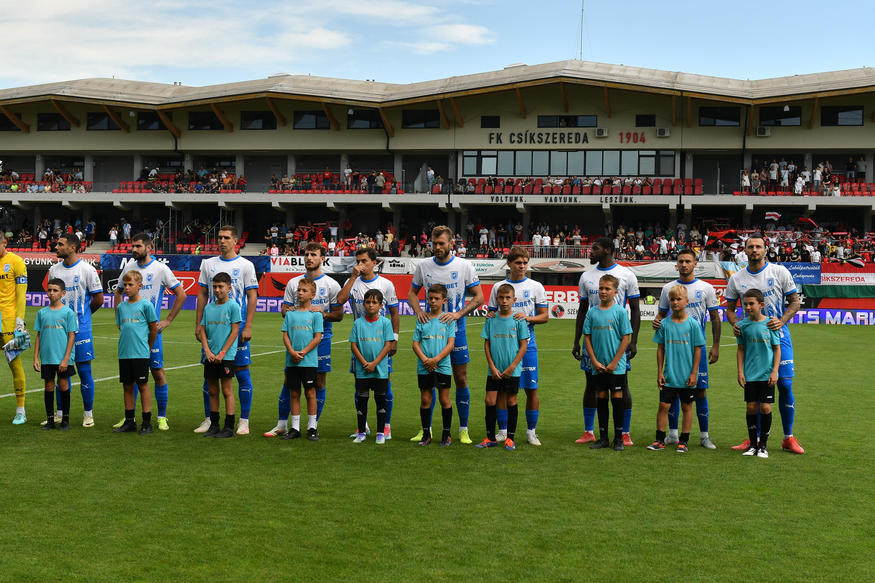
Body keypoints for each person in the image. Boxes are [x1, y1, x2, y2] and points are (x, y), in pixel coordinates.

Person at [724, 236, 804, 454]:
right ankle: (755, 439)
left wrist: (782, 320)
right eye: (751, 247)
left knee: (785, 384)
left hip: (779, 334)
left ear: (765, 250)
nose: (755, 250)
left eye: (758, 246)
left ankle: (788, 437)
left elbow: (795, 301)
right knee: (756, 389)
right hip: (752, 339)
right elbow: (729, 309)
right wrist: (735, 324)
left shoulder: (779, 272)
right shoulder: (737, 278)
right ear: (745, 250)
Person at [408, 226, 484, 444]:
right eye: (434, 243)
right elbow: (412, 293)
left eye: (441, 243)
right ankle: (426, 430)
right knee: (428, 383)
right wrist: (419, 311)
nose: (437, 247)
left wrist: (458, 313)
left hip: (456, 333)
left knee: (460, 378)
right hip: (431, 332)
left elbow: (479, 296)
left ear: (451, 243)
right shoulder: (424, 266)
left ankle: (463, 429)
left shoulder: (464, 266)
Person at [265, 242, 343, 437]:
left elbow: (339, 314)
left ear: (322, 258)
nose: (309, 258)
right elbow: (284, 310)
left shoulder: (331, 285)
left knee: (319, 383)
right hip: (297, 339)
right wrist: (289, 310)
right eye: (307, 254)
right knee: (288, 382)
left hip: (321, 339)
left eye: (314, 255)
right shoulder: (294, 283)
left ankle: (312, 426)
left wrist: (322, 314)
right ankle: (283, 424)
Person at [112, 233, 186, 431]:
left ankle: (161, 417)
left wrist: (168, 320)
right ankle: (130, 419)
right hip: (131, 333)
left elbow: (181, 294)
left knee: (157, 373)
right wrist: (119, 319)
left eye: (137, 246)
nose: (134, 249)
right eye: (132, 246)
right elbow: (117, 292)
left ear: (149, 247)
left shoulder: (160, 268)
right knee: (131, 378)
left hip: (151, 332)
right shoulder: (128, 267)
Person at [572, 237, 640, 446]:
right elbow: (583, 310)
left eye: (595, 248)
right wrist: (577, 341)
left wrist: (633, 341)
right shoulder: (586, 276)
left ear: (608, 250)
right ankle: (589, 431)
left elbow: (636, 310)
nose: (590, 252)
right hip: (593, 341)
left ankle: (624, 433)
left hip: (617, 342)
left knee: (622, 386)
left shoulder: (627, 275)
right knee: (591, 385)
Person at [651, 249, 721, 448]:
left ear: (695, 263)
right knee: (671, 392)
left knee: (700, 392)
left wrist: (715, 346)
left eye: (687, 261)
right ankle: (672, 434)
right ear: (676, 264)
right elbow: (661, 315)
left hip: (695, 351)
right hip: (674, 350)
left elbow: (715, 318)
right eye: (680, 261)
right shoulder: (668, 289)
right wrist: (656, 322)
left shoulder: (706, 288)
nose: (684, 264)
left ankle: (704, 436)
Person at [194, 226, 258, 435]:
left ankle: (243, 421)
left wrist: (247, 325)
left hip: (235, 329)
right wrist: (198, 324)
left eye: (226, 238)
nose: (222, 241)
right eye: (219, 237)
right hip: (213, 331)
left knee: (241, 374)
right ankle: (209, 419)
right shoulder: (208, 264)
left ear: (236, 241)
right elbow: (202, 294)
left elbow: (252, 296)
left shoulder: (246, 265)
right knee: (210, 377)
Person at [487, 246, 548, 446]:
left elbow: (545, 316)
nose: (522, 266)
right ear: (509, 264)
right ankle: (503, 431)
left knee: (531, 388)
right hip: (502, 344)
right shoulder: (498, 287)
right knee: (504, 389)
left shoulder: (536, 286)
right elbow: (491, 314)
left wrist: (527, 317)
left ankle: (531, 431)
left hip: (527, 344)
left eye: (524, 263)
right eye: (518, 263)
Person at [337, 247, 399, 438]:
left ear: (374, 262)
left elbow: (395, 313)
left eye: (364, 261)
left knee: (384, 386)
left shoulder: (386, 284)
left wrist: (394, 339)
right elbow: (340, 300)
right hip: (360, 342)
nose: (360, 265)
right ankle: (362, 426)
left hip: (381, 343)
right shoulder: (352, 281)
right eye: (358, 261)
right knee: (359, 386)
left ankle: (385, 425)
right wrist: (353, 278)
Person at [47, 233, 103, 427]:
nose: (56, 247)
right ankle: (61, 413)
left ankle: (88, 414)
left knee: (84, 371)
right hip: (58, 331)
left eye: (60, 244)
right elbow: (52, 296)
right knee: (61, 372)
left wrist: (83, 317)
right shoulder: (54, 269)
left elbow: (98, 299)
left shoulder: (87, 270)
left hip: (81, 330)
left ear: (73, 247)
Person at [648, 285, 705, 453]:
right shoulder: (664, 324)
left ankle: (684, 441)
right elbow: (660, 349)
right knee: (663, 406)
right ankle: (659, 439)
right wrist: (659, 372)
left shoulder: (693, 324)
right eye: (672, 299)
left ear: (687, 301)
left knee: (687, 407)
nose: (675, 302)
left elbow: (697, 349)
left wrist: (694, 373)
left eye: (678, 299)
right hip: (669, 375)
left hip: (687, 376)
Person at [475, 284, 529, 450]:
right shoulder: (491, 319)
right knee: (489, 400)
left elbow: (523, 345)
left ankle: (510, 438)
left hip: (512, 370)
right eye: (501, 298)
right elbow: (487, 344)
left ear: (514, 300)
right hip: (494, 369)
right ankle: (490, 437)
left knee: (512, 400)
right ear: (496, 299)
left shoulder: (519, 320)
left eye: (508, 298)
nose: (504, 301)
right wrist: (491, 366)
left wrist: (513, 366)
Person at [582, 274, 633, 451]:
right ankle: (603, 437)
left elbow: (626, 337)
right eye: (601, 288)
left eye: (607, 289)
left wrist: (615, 362)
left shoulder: (620, 311)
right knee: (601, 398)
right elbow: (587, 337)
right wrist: (594, 361)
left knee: (617, 398)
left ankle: (618, 438)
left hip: (616, 366)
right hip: (598, 366)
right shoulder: (592, 312)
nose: (603, 291)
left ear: (615, 292)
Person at [736, 288, 781, 458]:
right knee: (751, 407)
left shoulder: (770, 324)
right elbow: (740, 350)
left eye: (751, 304)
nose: (747, 307)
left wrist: (775, 371)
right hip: (750, 374)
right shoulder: (742, 326)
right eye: (745, 304)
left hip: (767, 374)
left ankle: (763, 445)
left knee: (765, 407)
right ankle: (752, 445)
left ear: (761, 305)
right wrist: (740, 371)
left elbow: (777, 349)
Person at [112, 271, 158, 435]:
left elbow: (154, 330)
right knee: (127, 386)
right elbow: (121, 328)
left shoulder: (146, 305)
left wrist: (148, 348)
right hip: (124, 353)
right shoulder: (121, 307)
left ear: (140, 286)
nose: (127, 288)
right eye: (125, 285)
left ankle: (146, 422)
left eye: (131, 285)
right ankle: (129, 421)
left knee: (143, 386)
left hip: (140, 353)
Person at [411, 284, 456, 446]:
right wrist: (425, 360)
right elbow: (415, 344)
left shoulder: (448, 320)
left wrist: (435, 360)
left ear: (444, 300)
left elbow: (450, 344)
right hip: (424, 366)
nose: (432, 301)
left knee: (445, 400)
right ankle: (426, 434)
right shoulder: (422, 319)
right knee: (425, 400)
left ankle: (446, 435)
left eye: (436, 298)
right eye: (430, 298)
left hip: (442, 366)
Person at [279, 277, 324, 441]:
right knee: (294, 393)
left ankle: (312, 427)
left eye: (304, 290)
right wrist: (291, 351)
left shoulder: (316, 315)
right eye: (298, 290)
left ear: (312, 295)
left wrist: (303, 352)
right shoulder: (290, 314)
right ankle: (295, 428)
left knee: (310, 393)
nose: (300, 293)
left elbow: (317, 337)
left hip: (308, 361)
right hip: (292, 361)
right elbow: (285, 335)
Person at [197, 272, 240, 439]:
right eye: (214, 287)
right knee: (212, 390)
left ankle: (229, 427)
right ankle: (214, 425)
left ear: (229, 288)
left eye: (221, 287)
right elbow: (203, 329)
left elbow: (235, 331)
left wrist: (222, 353)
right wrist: (207, 351)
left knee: (227, 390)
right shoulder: (209, 307)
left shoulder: (233, 306)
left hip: (226, 356)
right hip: (210, 355)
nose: (217, 290)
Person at [349, 289, 394, 444]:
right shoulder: (358, 323)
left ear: (381, 305)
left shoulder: (386, 323)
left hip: (379, 369)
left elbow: (388, 345)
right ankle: (361, 431)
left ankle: (380, 433)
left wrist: (375, 363)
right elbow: (354, 346)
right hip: (362, 369)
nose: (370, 305)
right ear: (363, 304)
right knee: (362, 401)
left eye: (374, 302)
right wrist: (364, 363)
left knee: (380, 401)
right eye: (367, 302)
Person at [33, 278, 77, 430]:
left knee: (63, 385)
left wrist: (66, 359)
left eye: (55, 290)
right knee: (49, 385)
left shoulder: (68, 313)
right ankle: (50, 420)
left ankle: (65, 420)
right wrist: (35, 358)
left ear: (63, 293)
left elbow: (72, 336)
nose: (51, 293)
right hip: (47, 357)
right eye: (49, 290)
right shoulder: (41, 313)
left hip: (63, 358)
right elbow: (38, 335)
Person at [0, 231, 28, 424]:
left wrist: (20, 320)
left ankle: (21, 410)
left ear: (4, 242)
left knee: (14, 363)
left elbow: (21, 293)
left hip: (9, 321)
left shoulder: (16, 261)